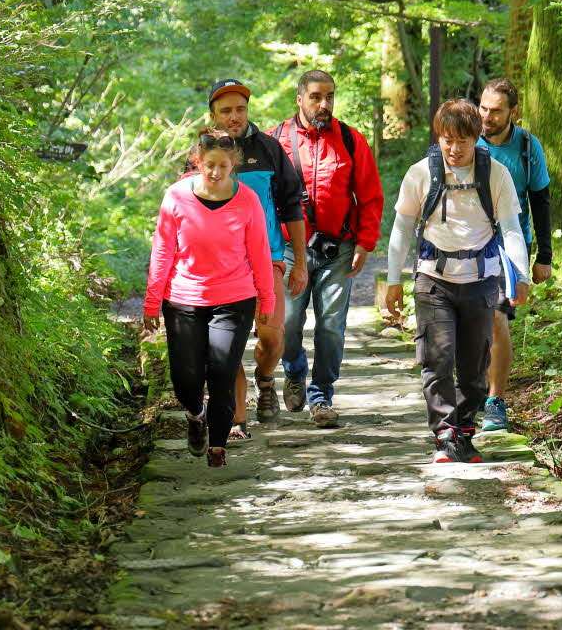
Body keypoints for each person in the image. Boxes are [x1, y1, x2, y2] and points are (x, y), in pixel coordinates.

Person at [384, 99, 530, 463]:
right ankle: (445, 433)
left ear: (476, 137)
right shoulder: (421, 173)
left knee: (473, 362)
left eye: (461, 141)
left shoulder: (495, 174)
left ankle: (464, 430)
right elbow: (401, 228)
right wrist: (392, 279)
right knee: (437, 356)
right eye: (446, 140)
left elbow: (511, 229)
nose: (453, 148)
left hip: (482, 280)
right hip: (433, 280)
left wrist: (521, 275)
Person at [142, 129, 276, 468]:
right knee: (186, 379)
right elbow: (162, 251)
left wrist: (267, 299)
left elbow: (259, 253)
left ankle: (218, 444)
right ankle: (195, 414)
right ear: (197, 162)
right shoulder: (175, 197)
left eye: (222, 166)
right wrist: (151, 300)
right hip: (184, 298)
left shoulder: (247, 200)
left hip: (234, 298)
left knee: (222, 371)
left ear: (233, 165)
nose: (215, 173)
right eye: (209, 165)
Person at [270, 69, 384, 428]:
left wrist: (365, 242)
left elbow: (370, 195)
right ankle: (294, 372)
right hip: (290, 249)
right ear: (299, 98)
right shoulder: (277, 141)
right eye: (316, 97)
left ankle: (321, 395)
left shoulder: (351, 140)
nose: (324, 104)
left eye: (330, 96)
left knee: (332, 326)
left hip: (338, 248)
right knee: (288, 322)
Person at [204, 78, 308, 437]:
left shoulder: (269, 149)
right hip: (220, 266)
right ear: (213, 115)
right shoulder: (199, 156)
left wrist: (301, 263)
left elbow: (293, 205)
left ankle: (265, 380)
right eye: (226, 111)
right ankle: (236, 417)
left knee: (273, 337)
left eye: (240, 109)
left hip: (269, 260)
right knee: (226, 342)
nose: (235, 117)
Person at [477, 78, 553, 433]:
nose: (487, 117)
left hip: (509, 247)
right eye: (483, 108)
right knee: (469, 325)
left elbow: (540, 199)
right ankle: (474, 388)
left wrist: (543, 256)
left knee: (497, 319)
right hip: (464, 246)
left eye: (496, 111)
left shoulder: (526, 145)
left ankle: (495, 401)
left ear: (513, 112)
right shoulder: (464, 138)